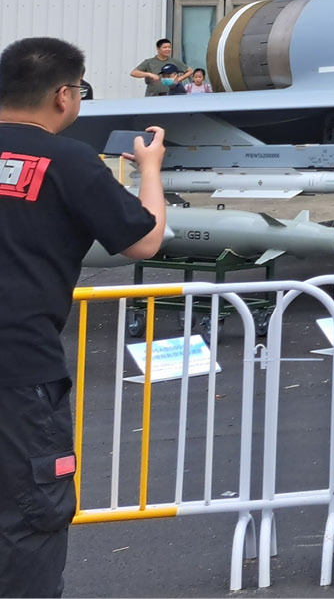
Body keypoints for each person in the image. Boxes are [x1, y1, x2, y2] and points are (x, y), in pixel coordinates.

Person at [0, 37, 166, 596]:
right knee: (30, 514)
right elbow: (143, 242)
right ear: (64, 95)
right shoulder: (67, 160)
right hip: (21, 371)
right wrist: (149, 168)